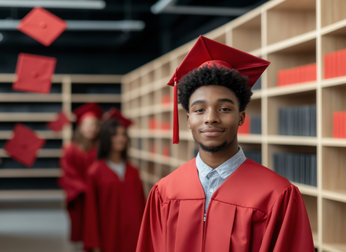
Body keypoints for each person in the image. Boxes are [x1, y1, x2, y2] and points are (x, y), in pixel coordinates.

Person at [136, 36, 315, 251]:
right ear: (188, 120)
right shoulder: (165, 192)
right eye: (199, 109)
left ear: (241, 117)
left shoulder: (277, 195)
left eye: (224, 109)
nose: (210, 118)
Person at [84, 109, 146, 252]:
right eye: (115, 135)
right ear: (106, 138)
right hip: (108, 236)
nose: (121, 138)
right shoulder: (95, 172)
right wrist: (94, 243)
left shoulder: (133, 171)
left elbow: (142, 206)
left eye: (123, 134)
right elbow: (91, 213)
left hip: (133, 235)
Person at [59, 103, 103, 243]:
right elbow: (68, 174)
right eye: (88, 124)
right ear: (80, 127)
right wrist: (84, 188)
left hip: (98, 196)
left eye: (95, 125)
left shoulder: (101, 150)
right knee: (79, 229)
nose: (92, 128)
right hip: (79, 197)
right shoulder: (70, 150)